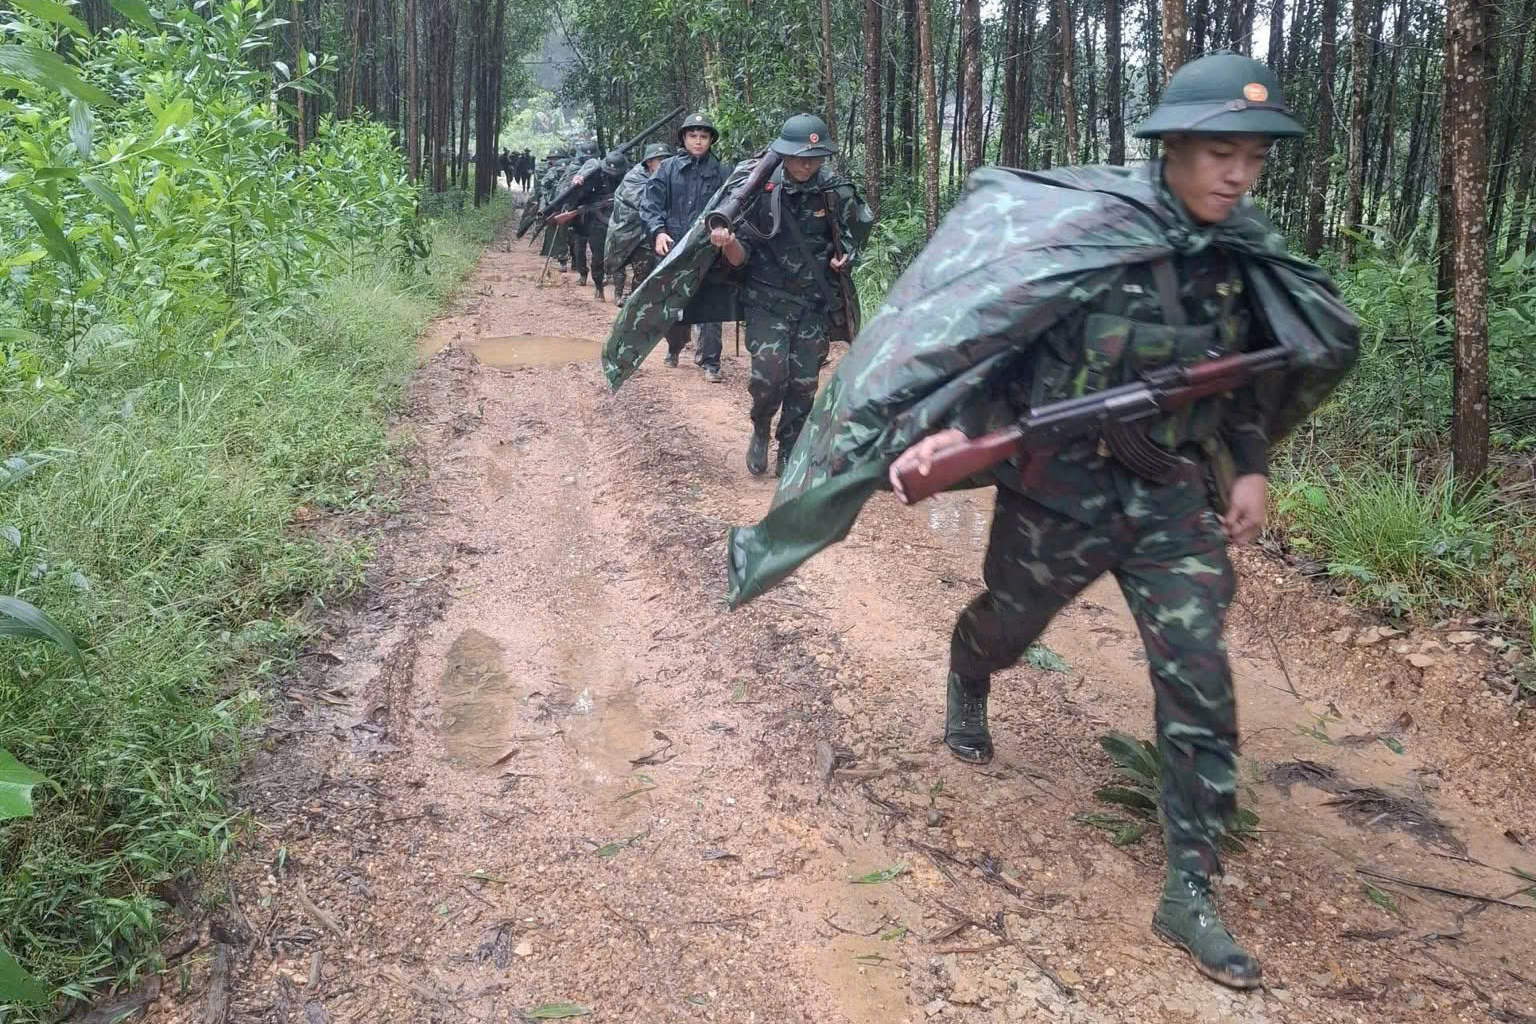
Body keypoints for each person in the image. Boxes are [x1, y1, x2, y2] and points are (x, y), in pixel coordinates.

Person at [880, 53, 1346, 990]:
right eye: (1221, 153)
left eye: (1255, 158)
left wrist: (1251, 468)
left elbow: (1246, 376)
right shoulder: (1088, 232)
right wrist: (950, 431)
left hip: (1174, 497)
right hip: (1060, 489)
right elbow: (995, 345)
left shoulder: (1243, 254)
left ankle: (1190, 887)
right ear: (1171, 147)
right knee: (1008, 624)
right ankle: (969, 670)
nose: (1238, 175)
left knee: (1199, 676)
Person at [705, 114, 858, 476]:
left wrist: (845, 258)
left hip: (813, 305)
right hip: (767, 301)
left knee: (804, 384)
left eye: (815, 157)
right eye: (800, 157)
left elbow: (851, 240)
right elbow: (740, 258)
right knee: (769, 379)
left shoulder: (835, 191)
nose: (807, 165)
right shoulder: (758, 190)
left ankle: (789, 447)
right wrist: (727, 243)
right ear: (785, 154)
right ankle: (761, 428)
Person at [640, 112, 728, 381]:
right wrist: (658, 232)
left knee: (711, 306)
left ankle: (711, 362)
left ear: (711, 140)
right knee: (673, 308)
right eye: (692, 136)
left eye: (703, 136)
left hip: (709, 248)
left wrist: (724, 232)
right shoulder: (667, 169)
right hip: (673, 247)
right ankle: (675, 347)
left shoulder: (722, 171)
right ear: (683, 138)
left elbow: (731, 207)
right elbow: (651, 205)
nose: (698, 141)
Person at [556, 148, 628, 301]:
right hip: (597, 221)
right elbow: (577, 196)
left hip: (620, 221)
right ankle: (599, 288)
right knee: (597, 258)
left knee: (619, 258)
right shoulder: (595, 175)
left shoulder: (629, 176)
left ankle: (619, 294)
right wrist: (579, 184)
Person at [606, 142, 672, 307]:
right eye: (659, 160)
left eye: (666, 159)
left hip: (645, 231)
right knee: (618, 262)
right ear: (649, 162)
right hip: (625, 228)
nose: (664, 163)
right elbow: (643, 202)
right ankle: (618, 293)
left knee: (644, 267)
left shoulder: (668, 176)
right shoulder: (634, 177)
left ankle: (634, 299)